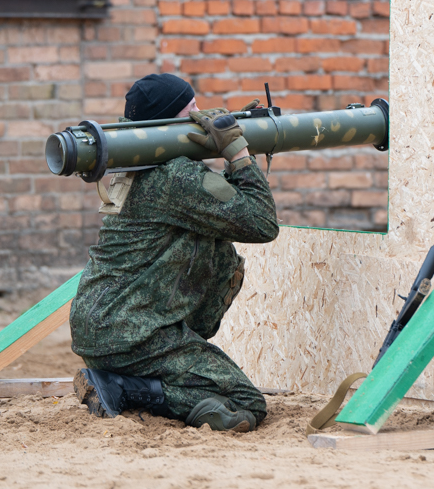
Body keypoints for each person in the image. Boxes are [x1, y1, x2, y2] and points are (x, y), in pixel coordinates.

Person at [69, 73, 279, 432]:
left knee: (215, 241)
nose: (203, 116)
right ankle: (122, 388)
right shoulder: (175, 177)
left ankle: (120, 376)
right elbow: (262, 222)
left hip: (103, 326)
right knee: (246, 403)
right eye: (193, 109)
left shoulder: (134, 165)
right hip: (135, 332)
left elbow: (219, 205)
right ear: (167, 122)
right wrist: (239, 154)